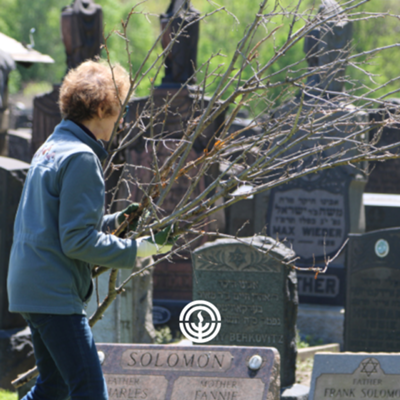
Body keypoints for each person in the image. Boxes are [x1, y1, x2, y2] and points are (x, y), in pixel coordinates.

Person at [7, 60, 173, 400]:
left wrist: (115, 223)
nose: (121, 120)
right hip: (54, 293)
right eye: (118, 111)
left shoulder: (51, 148)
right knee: (90, 391)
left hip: (29, 286)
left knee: (52, 388)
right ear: (101, 108)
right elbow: (77, 241)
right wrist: (143, 248)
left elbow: (63, 224)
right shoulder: (82, 157)